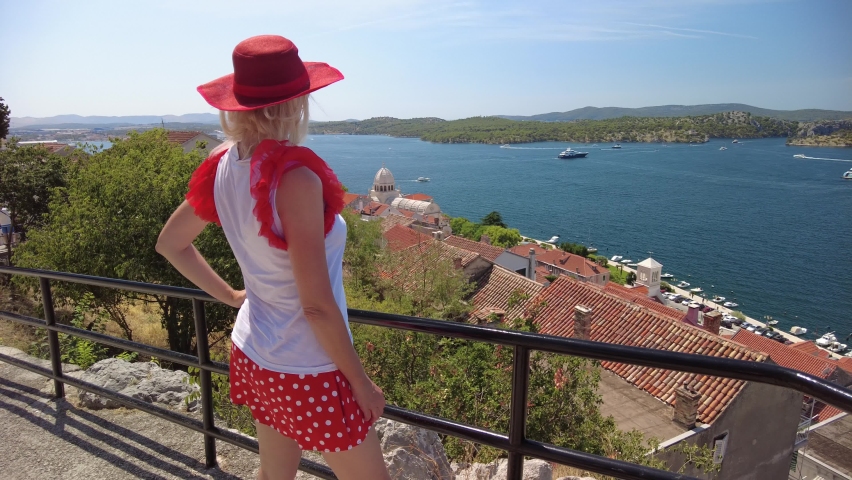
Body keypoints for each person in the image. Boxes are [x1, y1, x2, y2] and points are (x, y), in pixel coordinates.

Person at [156, 35, 390, 480]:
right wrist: (361, 383)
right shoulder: (296, 178)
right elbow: (316, 306)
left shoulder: (222, 162)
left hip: (254, 352)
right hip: (309, 366)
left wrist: (231, 296)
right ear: (295, 104)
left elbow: (171, 243)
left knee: (274, 475)